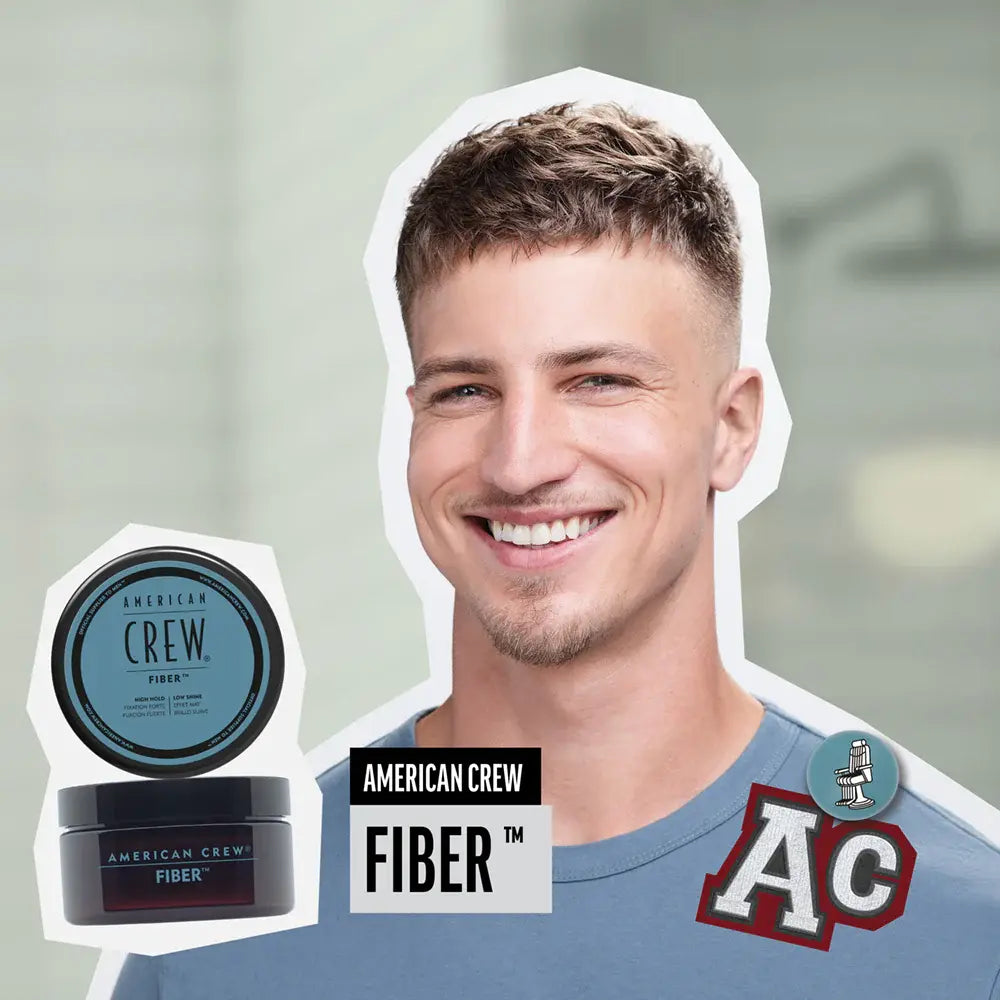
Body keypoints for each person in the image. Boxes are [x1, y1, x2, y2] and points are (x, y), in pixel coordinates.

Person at [112, 101, 1000, 999]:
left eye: (600, 381)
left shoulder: (957, 935)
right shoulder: (229, 934)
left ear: (732, 429)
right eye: (465, 391)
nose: (521, 461)